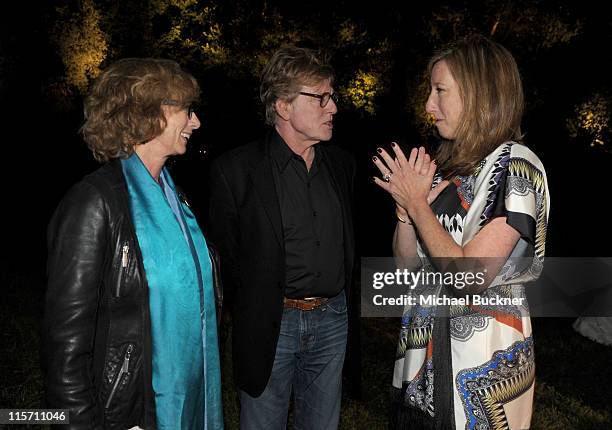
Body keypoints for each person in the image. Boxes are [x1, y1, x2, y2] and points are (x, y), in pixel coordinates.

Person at [373, 35, 550, 429]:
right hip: (420, 358)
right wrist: (406, 212)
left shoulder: (517, 166)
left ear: (478, 93)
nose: (428, 106)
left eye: (439, 91)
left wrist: (419, 205)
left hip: (480, 365)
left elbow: (470, 277)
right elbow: (406, 272)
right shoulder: (450, 167)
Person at [43, 58, 223, 430]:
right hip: (129, 415)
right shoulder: (94, 202)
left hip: (189, 403)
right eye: (187, 111)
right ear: (149, 113)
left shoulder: (176, 199)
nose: (196, 122)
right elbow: (65, 343)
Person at [208, 46, 355, 429]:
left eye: (332, 96)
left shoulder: (342, 166)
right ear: (283, 106)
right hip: (271, 323)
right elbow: (226, 260)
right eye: (320, 97)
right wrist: (254, 306)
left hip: (332, 318)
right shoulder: (235, 171)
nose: (333, 107)